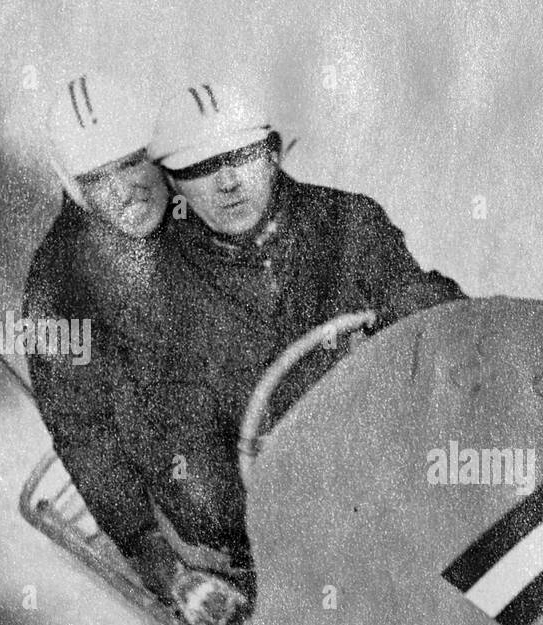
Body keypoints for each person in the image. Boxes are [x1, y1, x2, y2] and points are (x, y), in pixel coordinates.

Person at [134, 80, 467, 573]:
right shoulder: (160, 301)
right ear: (172, 184)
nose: (227, 182)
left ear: (272, 154)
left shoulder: (347, 222)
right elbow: (190, 468)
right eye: (200, 168)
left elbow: (437, 318)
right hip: (305, 538)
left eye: (242, 155)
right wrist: (270, 515)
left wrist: (423, 320)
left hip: (417, 465)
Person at [25, 72, 242, 625]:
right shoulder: (59, 289)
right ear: (72, 188)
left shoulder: (212, 193)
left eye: (131, 162)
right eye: (97, 178)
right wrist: (164, 568)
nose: (125, 191)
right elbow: (85, 435)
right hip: (210, 502)